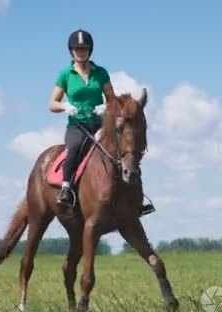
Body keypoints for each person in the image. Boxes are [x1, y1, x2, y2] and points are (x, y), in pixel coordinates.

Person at [48, 29, 155, 216]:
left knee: (123, 153)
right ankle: (66, 188)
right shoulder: (65, 74)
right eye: (77, 49)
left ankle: (137, 198)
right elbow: (52, 104)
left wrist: (105, 107)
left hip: (99, 124)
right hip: (78, 125)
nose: (80, 52)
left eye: (84, 49)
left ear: (90, 51)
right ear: (71, 51)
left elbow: (112, 99)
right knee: (73, 149)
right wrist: (65, 106)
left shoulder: (101, 73)